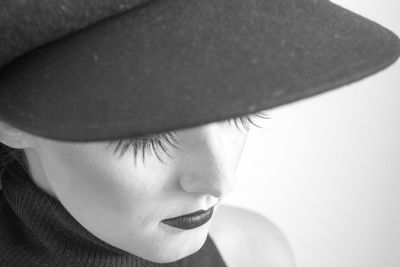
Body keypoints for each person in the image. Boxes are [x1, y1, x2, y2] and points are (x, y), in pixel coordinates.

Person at [0, 0, 399, 266]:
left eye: (241, 111)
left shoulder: (254, 253)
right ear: (11, 121)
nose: (221, 181)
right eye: (147, 132)